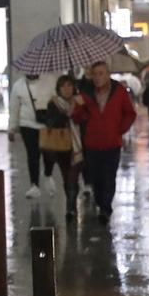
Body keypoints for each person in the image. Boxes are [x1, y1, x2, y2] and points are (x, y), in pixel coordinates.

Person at [71, 59, 137, 222]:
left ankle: (105, 208)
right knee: (95, 177)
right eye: (95, 74)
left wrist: (119, 129)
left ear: (108, 74)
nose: (98, 77)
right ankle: (101, 202)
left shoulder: (119, 91)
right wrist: (78, 106)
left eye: (101, 73)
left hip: (112, 143)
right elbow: (78, 118)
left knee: (109, 176)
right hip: (92, 143)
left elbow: (130, 113)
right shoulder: (86, 93)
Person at [39, 75, 85, 218]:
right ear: (58, 89)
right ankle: (71, 205)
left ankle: (70, 208)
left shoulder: (80, 101)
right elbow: (52, 123)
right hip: (61, 146)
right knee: (67, 178)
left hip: (78, 146)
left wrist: (77, 109)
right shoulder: (53, 103)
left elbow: (85, 119)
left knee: (73, 176)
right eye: (63, 86)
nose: (66, 89)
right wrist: (67, 114)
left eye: (69, 85)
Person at [9, 65, 46, 197]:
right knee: (32, 155)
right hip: (27, 125)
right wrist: (11, 127)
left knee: (48, 155)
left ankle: (47, 175)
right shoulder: (18, 86)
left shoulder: (47, 83)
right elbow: (14, 108)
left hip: (45, 125)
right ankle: (34, 184)